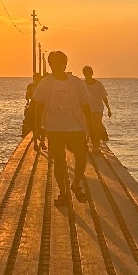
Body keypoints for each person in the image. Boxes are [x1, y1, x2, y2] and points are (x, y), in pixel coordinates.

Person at [31, 51, 90, 206]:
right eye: (54, 63)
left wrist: (89, 127)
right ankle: (63, 193)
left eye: (60, 62)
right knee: (59, 161)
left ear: (65, 64)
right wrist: (37, 128)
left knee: (81, 157)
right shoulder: (46, 83)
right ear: (50, 65)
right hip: (54, 127)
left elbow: (85, 105)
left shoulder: (76, 82)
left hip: (76, 126)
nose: (57, 66)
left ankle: (76, 183)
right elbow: (38, 105)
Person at [81, 65, 111, 152]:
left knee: (96, 127)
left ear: (92, 73)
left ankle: (96, 145)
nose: (87, 75)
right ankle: (86, 143)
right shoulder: (82, 85)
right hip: (86, 108)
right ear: (84, 74)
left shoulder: (98, 84)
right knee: (87, 126)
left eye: (89, 73)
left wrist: (108, 108)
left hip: (97, 108)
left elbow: (104, 97)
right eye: (85, 73)